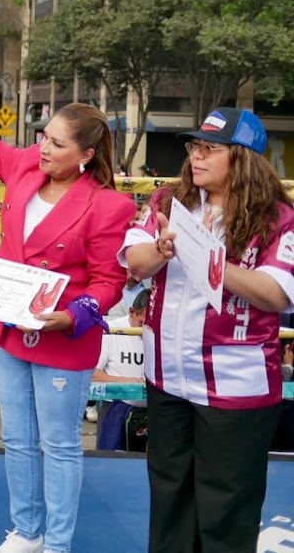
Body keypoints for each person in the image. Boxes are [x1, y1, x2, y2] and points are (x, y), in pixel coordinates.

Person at [0, 60, 137, 553]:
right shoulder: (23, 167)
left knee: (59, 445)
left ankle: (57, 543)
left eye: (58, 144)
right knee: (17, 439)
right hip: (11, 327)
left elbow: (109, 282)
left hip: (62, 336)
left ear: (86, 155)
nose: (44, 148)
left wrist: (75, 315)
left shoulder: (109, 206)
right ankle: (26, 532)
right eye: (44, 137)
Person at [121, 107, 294, 553]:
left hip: (234, 386)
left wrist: (210, 260)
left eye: (209, 149)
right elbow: (134, 265)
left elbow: (276, 293)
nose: (196, 157)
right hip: (167, 380)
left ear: (243, 158)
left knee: (226, 513)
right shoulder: (167, 202)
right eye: (194, 147)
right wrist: (163, 248)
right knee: (170, 501)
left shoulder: (278, 218)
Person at [94, 288, 148, 452]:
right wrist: (128, 384)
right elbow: (92, 373)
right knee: (110, 462)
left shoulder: (164, 331)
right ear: (132, 312)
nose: (146, 331)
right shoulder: (110, 330)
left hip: (155, 409)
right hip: (116, 409)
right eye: (142, 324)